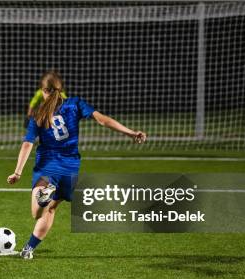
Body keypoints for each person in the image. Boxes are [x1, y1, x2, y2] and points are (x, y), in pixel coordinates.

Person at [7, 70, 146, 259]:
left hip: (48, 166)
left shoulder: (38, 114)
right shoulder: (75, 103)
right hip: (70, 168)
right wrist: (130, 133)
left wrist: (17, 172)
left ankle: (43, 196)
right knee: (52, 208)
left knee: (37, 212)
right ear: (60, 89)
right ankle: (28, 249)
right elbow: (103, 120)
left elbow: (27, 144)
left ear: (42, 91)